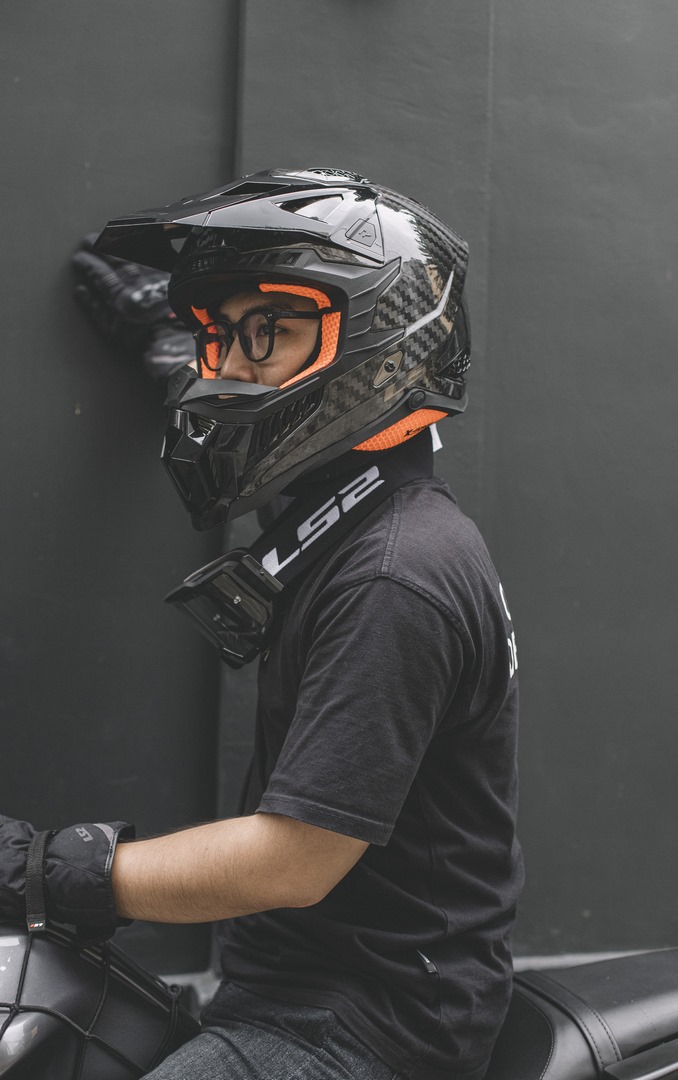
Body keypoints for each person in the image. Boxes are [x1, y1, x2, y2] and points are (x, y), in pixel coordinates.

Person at [0, 168, 523, 1080]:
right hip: (289, 987)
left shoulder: (398, 573)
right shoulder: (349, 510)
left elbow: (293, 861)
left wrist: (43, 869)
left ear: (380, 343)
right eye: (221, 338)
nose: (227, 369)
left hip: (367, 1027)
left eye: (266, 333)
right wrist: (174, 346)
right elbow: (276, 424)